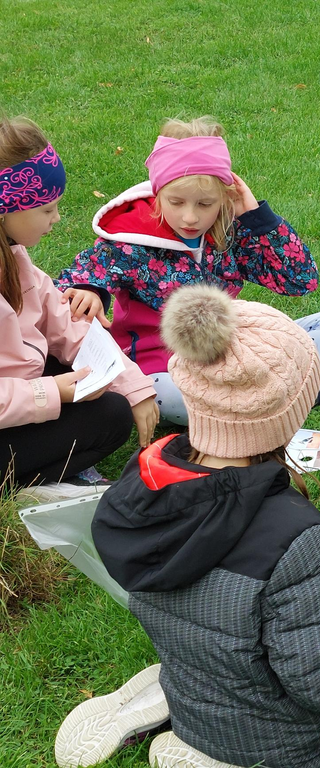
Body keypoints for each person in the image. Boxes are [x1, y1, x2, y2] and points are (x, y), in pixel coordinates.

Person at [58, 284, 320, 768]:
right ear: (287, 416)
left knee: (244, 641)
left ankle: (185, 708)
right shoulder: (293, 534)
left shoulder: (137, 485)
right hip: (279, 741)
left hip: (196, 689)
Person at [55, 116, 320, 423]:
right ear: (157, 194)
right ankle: (283, 392)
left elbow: (300, 280)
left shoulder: (231, 231)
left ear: (225, 198)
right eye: (176, 202)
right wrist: (89, 290)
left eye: (205, 204)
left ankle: (259, 398)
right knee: (167, 398)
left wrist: (258, 218)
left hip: (231, 351)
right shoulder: (130, 240)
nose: (190, 217)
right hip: (162, 368)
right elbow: (77, 278)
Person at [0, 116, 157, 499]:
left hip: (15, 389)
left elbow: (65, 322)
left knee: (105, 391)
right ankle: (27, 486)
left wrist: (136, 387)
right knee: (109, 418)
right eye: (46, 209)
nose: (56, 219)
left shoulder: (14, 256)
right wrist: (49, 393)